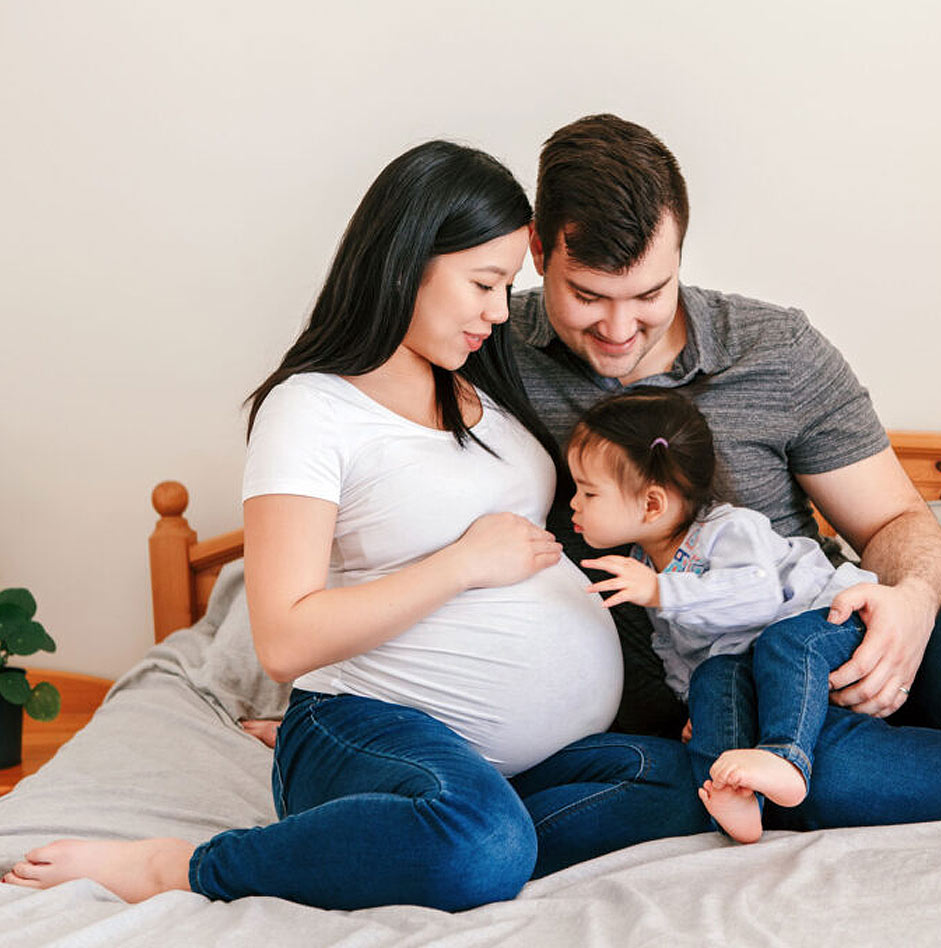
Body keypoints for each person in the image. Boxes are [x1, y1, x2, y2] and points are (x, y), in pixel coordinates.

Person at [0, 141, 711, 911]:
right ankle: (188, 866)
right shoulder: (312, 409)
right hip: (365, 721)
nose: (501, 311)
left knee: (683, 781)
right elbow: (284, 636)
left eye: (509, 285)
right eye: (483, 283)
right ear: (408, 261)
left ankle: (405, 833)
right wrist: (464, 564)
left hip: (486, 761)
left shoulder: (480, 392)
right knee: (482, 844)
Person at [507, 113, 941, 828]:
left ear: (681, 252)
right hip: (739, 697)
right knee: (824, 787)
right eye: (588, 296)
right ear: (534, 249)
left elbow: (896, 519)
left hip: (836, 623)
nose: (619, 329)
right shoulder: (489, 359)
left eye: (650, 295)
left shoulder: (777, 351)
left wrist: (910, 607)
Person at [567, 388, 877, 842]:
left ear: (652, 504)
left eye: (588, 492)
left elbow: (757, 598)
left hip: (829, 621)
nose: (573, 503)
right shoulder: (647, 561)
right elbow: (675, 647)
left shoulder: (729, 528)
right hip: (757, 661)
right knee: (716, 678)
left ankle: (786, 758)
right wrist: (693, 701)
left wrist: (659, 590)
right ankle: (737, 804)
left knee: (783, 645)